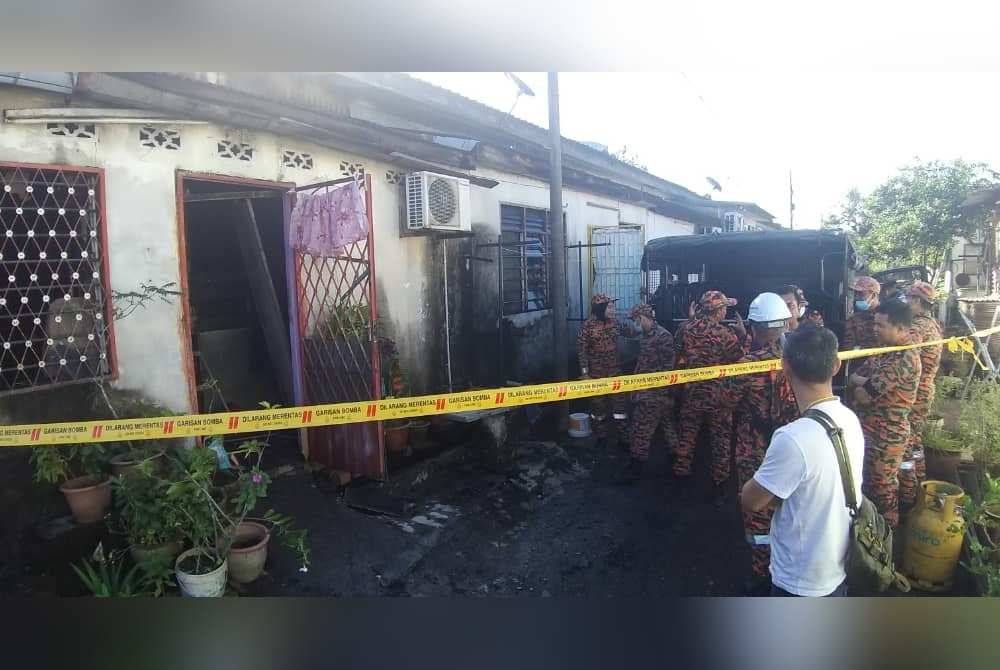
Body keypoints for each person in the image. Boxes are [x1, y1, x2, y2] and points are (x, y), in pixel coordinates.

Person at [740, 324, 864, 597]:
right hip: (838, 566)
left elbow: (751, 500)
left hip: (800, 579)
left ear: (785, 368)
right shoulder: (849, 419)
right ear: (836, 366)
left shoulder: (793, 438)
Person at [720, 293, 799, 593]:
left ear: (753, 327)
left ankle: (761, 572)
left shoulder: (746, 365)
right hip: (794, 445)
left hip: (755, 449)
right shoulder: (799, 358)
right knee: (790, 505)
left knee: (758, 509)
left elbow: (724, 401)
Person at [848, 299, 921, 529]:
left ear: (900, 328)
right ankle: (871, 536)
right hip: (871, 431)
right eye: (875, 324)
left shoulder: (905, 358)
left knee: (883, 490)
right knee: (867, 484)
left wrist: (862, 384)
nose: (875, 329)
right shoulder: (885, 351)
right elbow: (854, 378)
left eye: (881, 326)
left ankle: (888, 542)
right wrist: (862, 383)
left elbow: (864, 395)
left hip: (887, 436)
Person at [673, 290, 749, 497]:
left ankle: (680, 478)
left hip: (691, 394)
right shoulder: (726, 335)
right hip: (719, 398)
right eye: (724, 308)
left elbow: (677, 355)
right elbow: (741, 362)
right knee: (720, 442)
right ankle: (720, 486)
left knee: (686, 437)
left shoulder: (685, 329)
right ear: (718, 311)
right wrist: (744, 337)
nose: (726, 311)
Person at [618, 303, 677, 483]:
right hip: (646, 389)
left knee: (642, 427)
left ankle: (637, 465)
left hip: (655, 392)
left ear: (644, 318)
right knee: (667, 425)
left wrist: (661, 392)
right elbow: (643, 360)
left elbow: (668, 367)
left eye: (636, 320)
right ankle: (677, 457)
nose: (636, 324)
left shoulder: (663, 336)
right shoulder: (645, 335)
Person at [904, 281, 943, 487]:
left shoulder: (918, 327)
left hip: (915, 391)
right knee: (916, 439)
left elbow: (905, 358)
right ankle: (920, 479)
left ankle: (909, 490)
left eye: (909, 298)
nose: (907, 302)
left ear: (918, 301)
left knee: (908, 441)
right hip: (926, 388)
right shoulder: (933, 324)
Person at [577, 294, 628, 443]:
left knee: (620, 409)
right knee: (598, 409)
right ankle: (601, 437)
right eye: (610, 307)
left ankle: (624, 438)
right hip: (596, 375)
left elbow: (632, 332)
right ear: (600, 309)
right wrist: (585, 374)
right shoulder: (587, 327)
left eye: (613, 306)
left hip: (615, 373)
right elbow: (582, 351)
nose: (614, 310)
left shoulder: (616, 323)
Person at [843, 276, 881, 350]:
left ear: (873, 295)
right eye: (855, 294)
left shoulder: (887, 316)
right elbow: (848, 347)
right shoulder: (853, 319)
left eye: (861, 294)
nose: (857, 297)